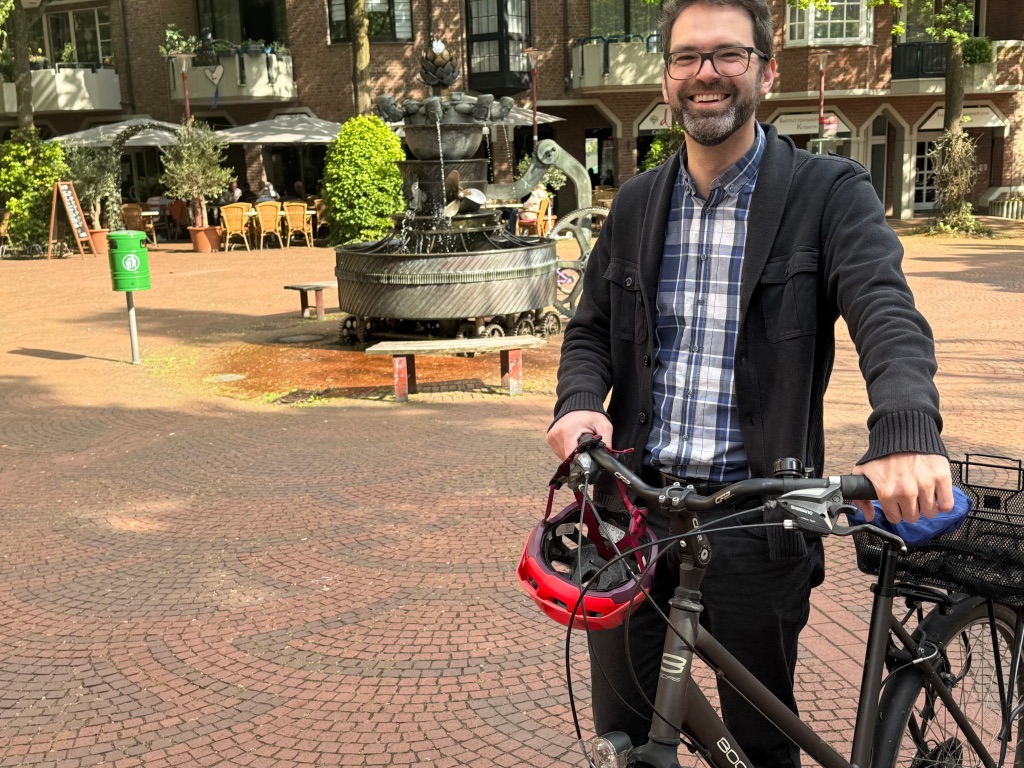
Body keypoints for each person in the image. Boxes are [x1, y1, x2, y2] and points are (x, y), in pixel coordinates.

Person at [544, 1, 954, 766]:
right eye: (687, 57)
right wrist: (577, 407)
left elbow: (886, 314)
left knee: (760, 745)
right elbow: (591, 329)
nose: (706, 73)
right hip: (632, 509)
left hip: (753, 518)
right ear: (667, 78)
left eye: (727, 55)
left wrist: (905, 432)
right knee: (626, 738)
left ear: (766, 70)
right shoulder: (634, 203)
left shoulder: (828, 193)